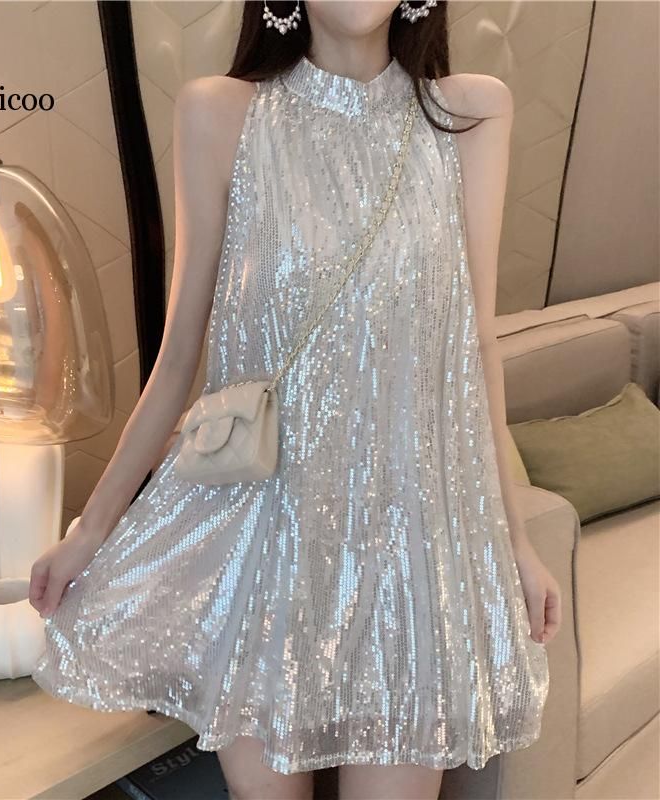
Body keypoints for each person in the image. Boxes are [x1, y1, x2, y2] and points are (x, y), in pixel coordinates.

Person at [29, 2, 562, 798]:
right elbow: (179, 356)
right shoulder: (221, 113)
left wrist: (513, 541)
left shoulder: (471, 113)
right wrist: (91, 530)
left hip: (407, 553)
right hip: (263, 545)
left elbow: (474, 345)